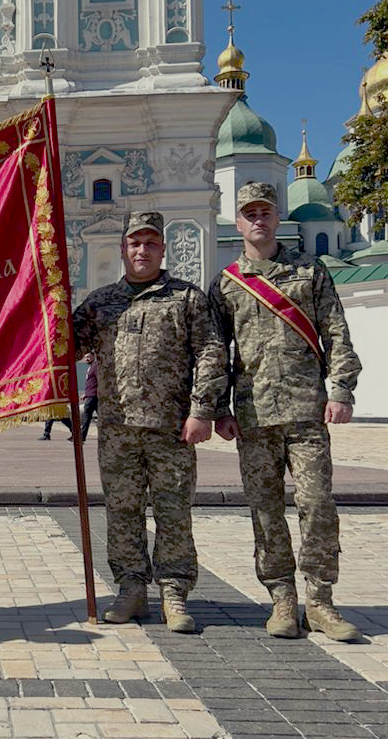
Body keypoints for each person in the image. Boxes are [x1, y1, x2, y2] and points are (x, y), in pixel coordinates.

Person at [209, 182, 362, 641]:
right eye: (250, 212)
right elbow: (216, 351)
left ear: (278, 218)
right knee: (265, 511)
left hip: (306, 412)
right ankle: (281, 599)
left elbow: (336, 332)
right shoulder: (227, 283)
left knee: (317, 505)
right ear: (238, 222)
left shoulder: (310, 272)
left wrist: (342, 390)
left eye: (266, 212)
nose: (258, 219)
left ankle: (320, 602)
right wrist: (219, 407)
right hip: (254, 415)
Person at [73, 211, 227, 632]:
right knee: (122, 512)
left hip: (171, 429)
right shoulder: (100, 303)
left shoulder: (186, 298)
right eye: (134, 243)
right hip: (118, 430)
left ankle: (174, 593)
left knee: (174, 512)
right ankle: (131, 589)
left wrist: (201, 410)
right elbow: (63, 344)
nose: (142, 250)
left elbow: (211, 354)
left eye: (150, 243)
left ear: (163, 249)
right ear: (123, 249)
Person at [75, 353, 99, 442]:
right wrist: (85, 393)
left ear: (93, 357)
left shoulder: (96, 366)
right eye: (85, 357)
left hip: (93, 396)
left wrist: (95, 393)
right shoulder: (90, 367)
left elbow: (98, 380)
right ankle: (81, 436)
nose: (86, 359)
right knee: (92, 416)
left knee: (86, 415)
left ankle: (81, 437)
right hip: (90, 395)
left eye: (88, 357)